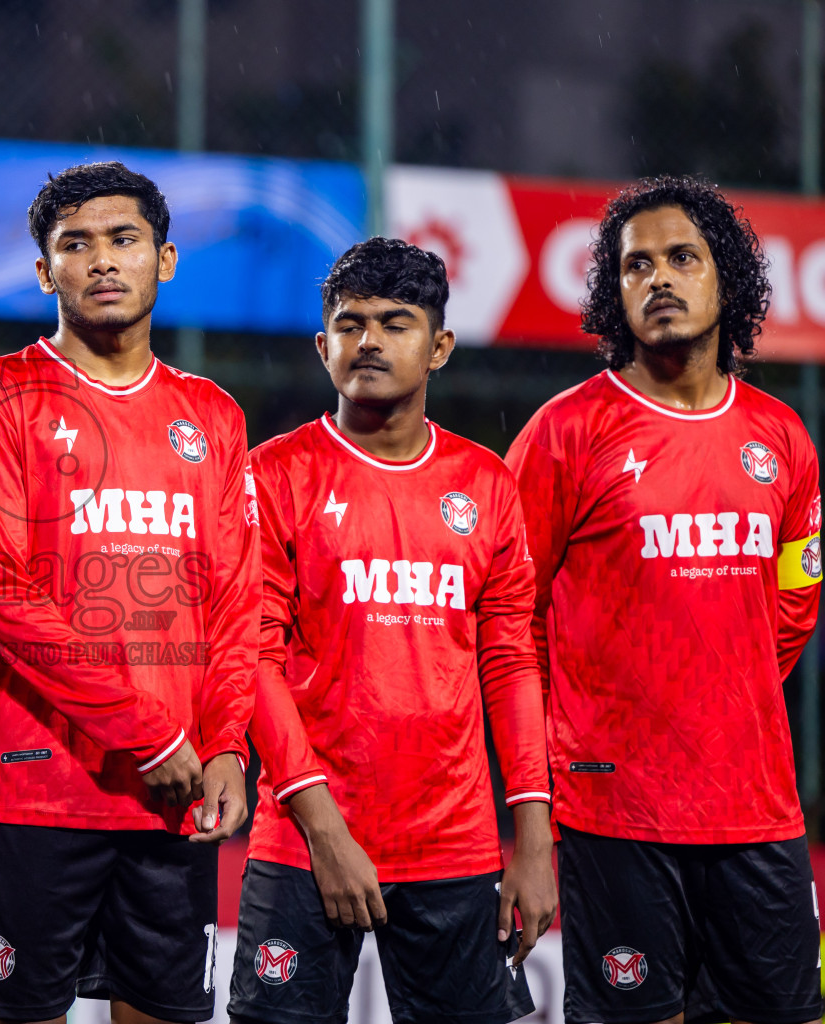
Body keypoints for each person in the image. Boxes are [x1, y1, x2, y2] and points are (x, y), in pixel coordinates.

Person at [0, 161, 259, 1024]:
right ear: (46, 272)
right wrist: (148, 732)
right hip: (37, 788)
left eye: (124, 240)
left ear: (166, 260)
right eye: (76, 245)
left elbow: (233, 602)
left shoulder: (214, 415)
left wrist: (226, 742)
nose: (103, 261)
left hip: (173, 799)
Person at [506, 175, 823, 1024]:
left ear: (731, 279)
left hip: (757, 808)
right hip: (616, 813)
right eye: (636, 265)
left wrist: (720, 694)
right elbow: (507, 623)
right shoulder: (565, 434)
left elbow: (791, 609)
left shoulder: (782, 438)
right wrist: (572, 745)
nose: (659, 279)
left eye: (683, 257)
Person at [227, 238, 553, 1024]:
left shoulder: (486, 483)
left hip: (455, 843)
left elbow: (510, 664)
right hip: (303, 843)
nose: (368, 340)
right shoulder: (272, 476)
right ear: (322, 345)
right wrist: (325, 829)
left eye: (395, 323)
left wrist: (534, 842)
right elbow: (252, 660)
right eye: (350, 323)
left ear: (439, 346)